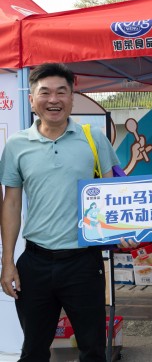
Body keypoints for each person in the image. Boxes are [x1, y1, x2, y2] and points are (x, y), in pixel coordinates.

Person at [0, 63, 119, 362]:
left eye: (61, 92)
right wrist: (7, 262)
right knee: (33, 350)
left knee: (93, 350)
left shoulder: (93, 138)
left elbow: (114, 194)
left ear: (72, 97)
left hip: (84, 262)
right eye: (45, 92)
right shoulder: (16, 145)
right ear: (32, 99)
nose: (53, 100)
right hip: (35, 263)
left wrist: (126, 230)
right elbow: (11, 203)